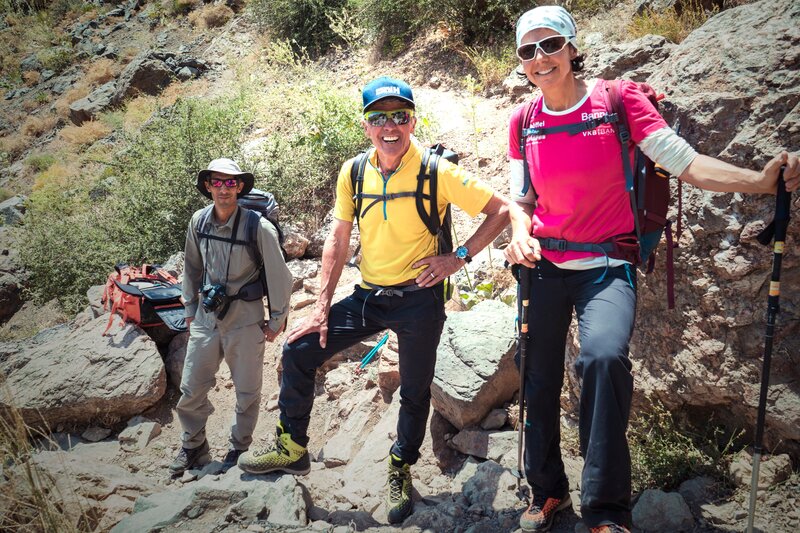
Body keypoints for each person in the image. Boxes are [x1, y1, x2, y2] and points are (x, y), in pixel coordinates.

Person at [503, 6, 800, 533]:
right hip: (543, 266)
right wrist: (519, 232)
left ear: (572, 48)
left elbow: (686, 162)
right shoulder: (523, 121)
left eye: (551, 45)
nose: (541, 58)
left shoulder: (617, 101)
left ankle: (606, 511)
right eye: (529, 50)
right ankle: (547, 491)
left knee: (603, 359)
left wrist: (757, 181)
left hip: (606, 265)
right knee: (537, 375)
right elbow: (521, 198)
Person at [237, 76, 510, 523]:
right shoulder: (354, 171)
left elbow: (500, 209)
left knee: (415, 389)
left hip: (420, 298)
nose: (390, 126)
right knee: (299, 348)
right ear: (365, 125)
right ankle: (292, 446)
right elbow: (337, 239)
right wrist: (321, 307)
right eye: (378, 117)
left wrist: (457, 257)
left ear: (413, 122)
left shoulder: (436, 171)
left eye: (399, 116)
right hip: (369, 294)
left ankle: (400, 465)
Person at [169, 158, 293, 475]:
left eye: (230, 182)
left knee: (247, 392)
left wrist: (277, 319)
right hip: (207, 318)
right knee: (191, 388)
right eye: (217, 182)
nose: (223, 189)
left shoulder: (258, 227)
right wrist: (190, 309)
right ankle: (193, 446)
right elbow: (191, 268)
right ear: (208, 186)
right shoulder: (199, 222)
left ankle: (239, 449)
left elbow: (280, 276)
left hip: (246, 320)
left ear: (239, 187)